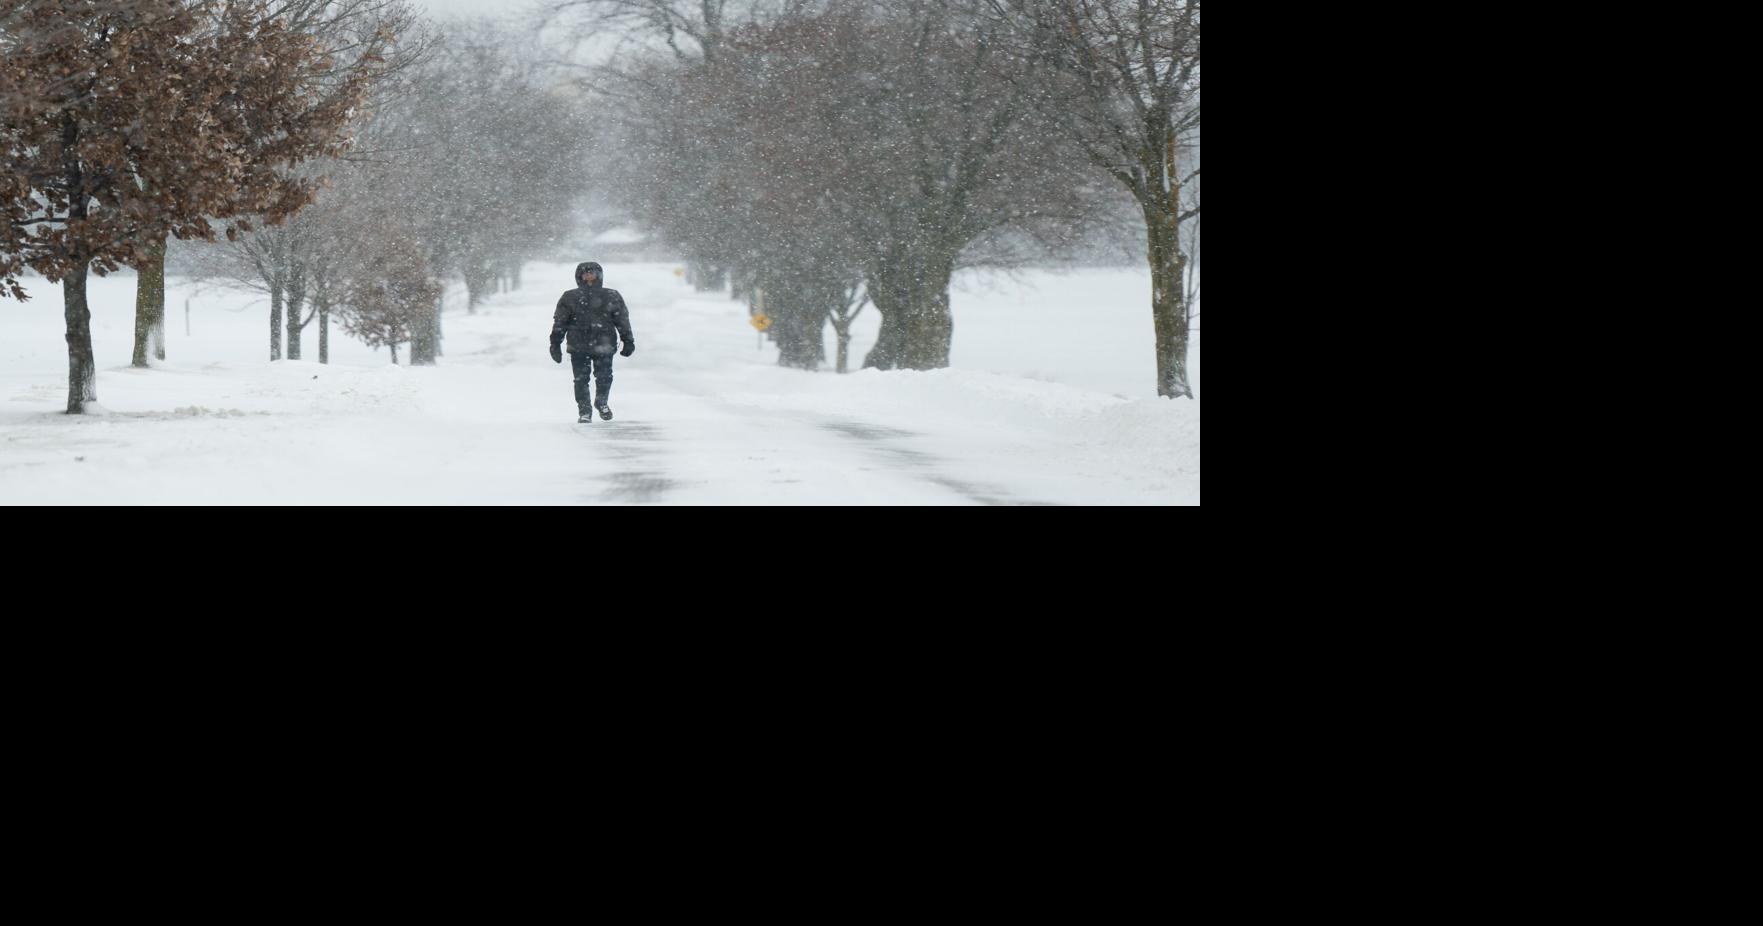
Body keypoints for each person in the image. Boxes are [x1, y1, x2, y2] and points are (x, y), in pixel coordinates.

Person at [550, 262, 634, 423]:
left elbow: (622, 319)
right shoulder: (569, 297)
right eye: (585, 273)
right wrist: (555, 343)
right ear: (579, 276)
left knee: (604, 376)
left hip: (604, 343)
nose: (589, 276)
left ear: (599, 275)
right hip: (578, 345)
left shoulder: (611, 295)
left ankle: (601, 402)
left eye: (592, 273)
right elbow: (560, 322)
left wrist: (628, 339)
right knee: (581, 379)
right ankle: (584, 411)